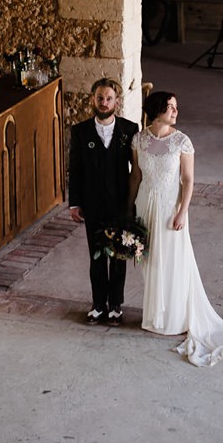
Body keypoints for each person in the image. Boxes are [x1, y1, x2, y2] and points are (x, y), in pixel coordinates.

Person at [132, 90, 223, 366]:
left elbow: (188, 180)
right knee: (150, 260)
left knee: (173, 261)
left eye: (176, 107)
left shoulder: (182, 142)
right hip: (145, 204)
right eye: (170, 107)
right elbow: (136, 176)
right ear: (157, 110)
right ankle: (155, 315)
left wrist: (182, 211)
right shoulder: (139, 139)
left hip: (169, 207)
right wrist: (129, 208)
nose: (175, 111)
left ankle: (174, 319)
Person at [66, 78, 136, 326]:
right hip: (92, 204)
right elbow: (74, 169)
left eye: (108, 98)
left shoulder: (129, 130)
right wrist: (74, 203)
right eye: (99, 98)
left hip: (120, 203)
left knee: (118, 255)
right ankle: (98, 305)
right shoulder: (81, 131)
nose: (104, 103)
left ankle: (116, 305)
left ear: (117, 101)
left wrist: (136, 201)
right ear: (92, 100)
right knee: (96, 256)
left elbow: (137, 170)